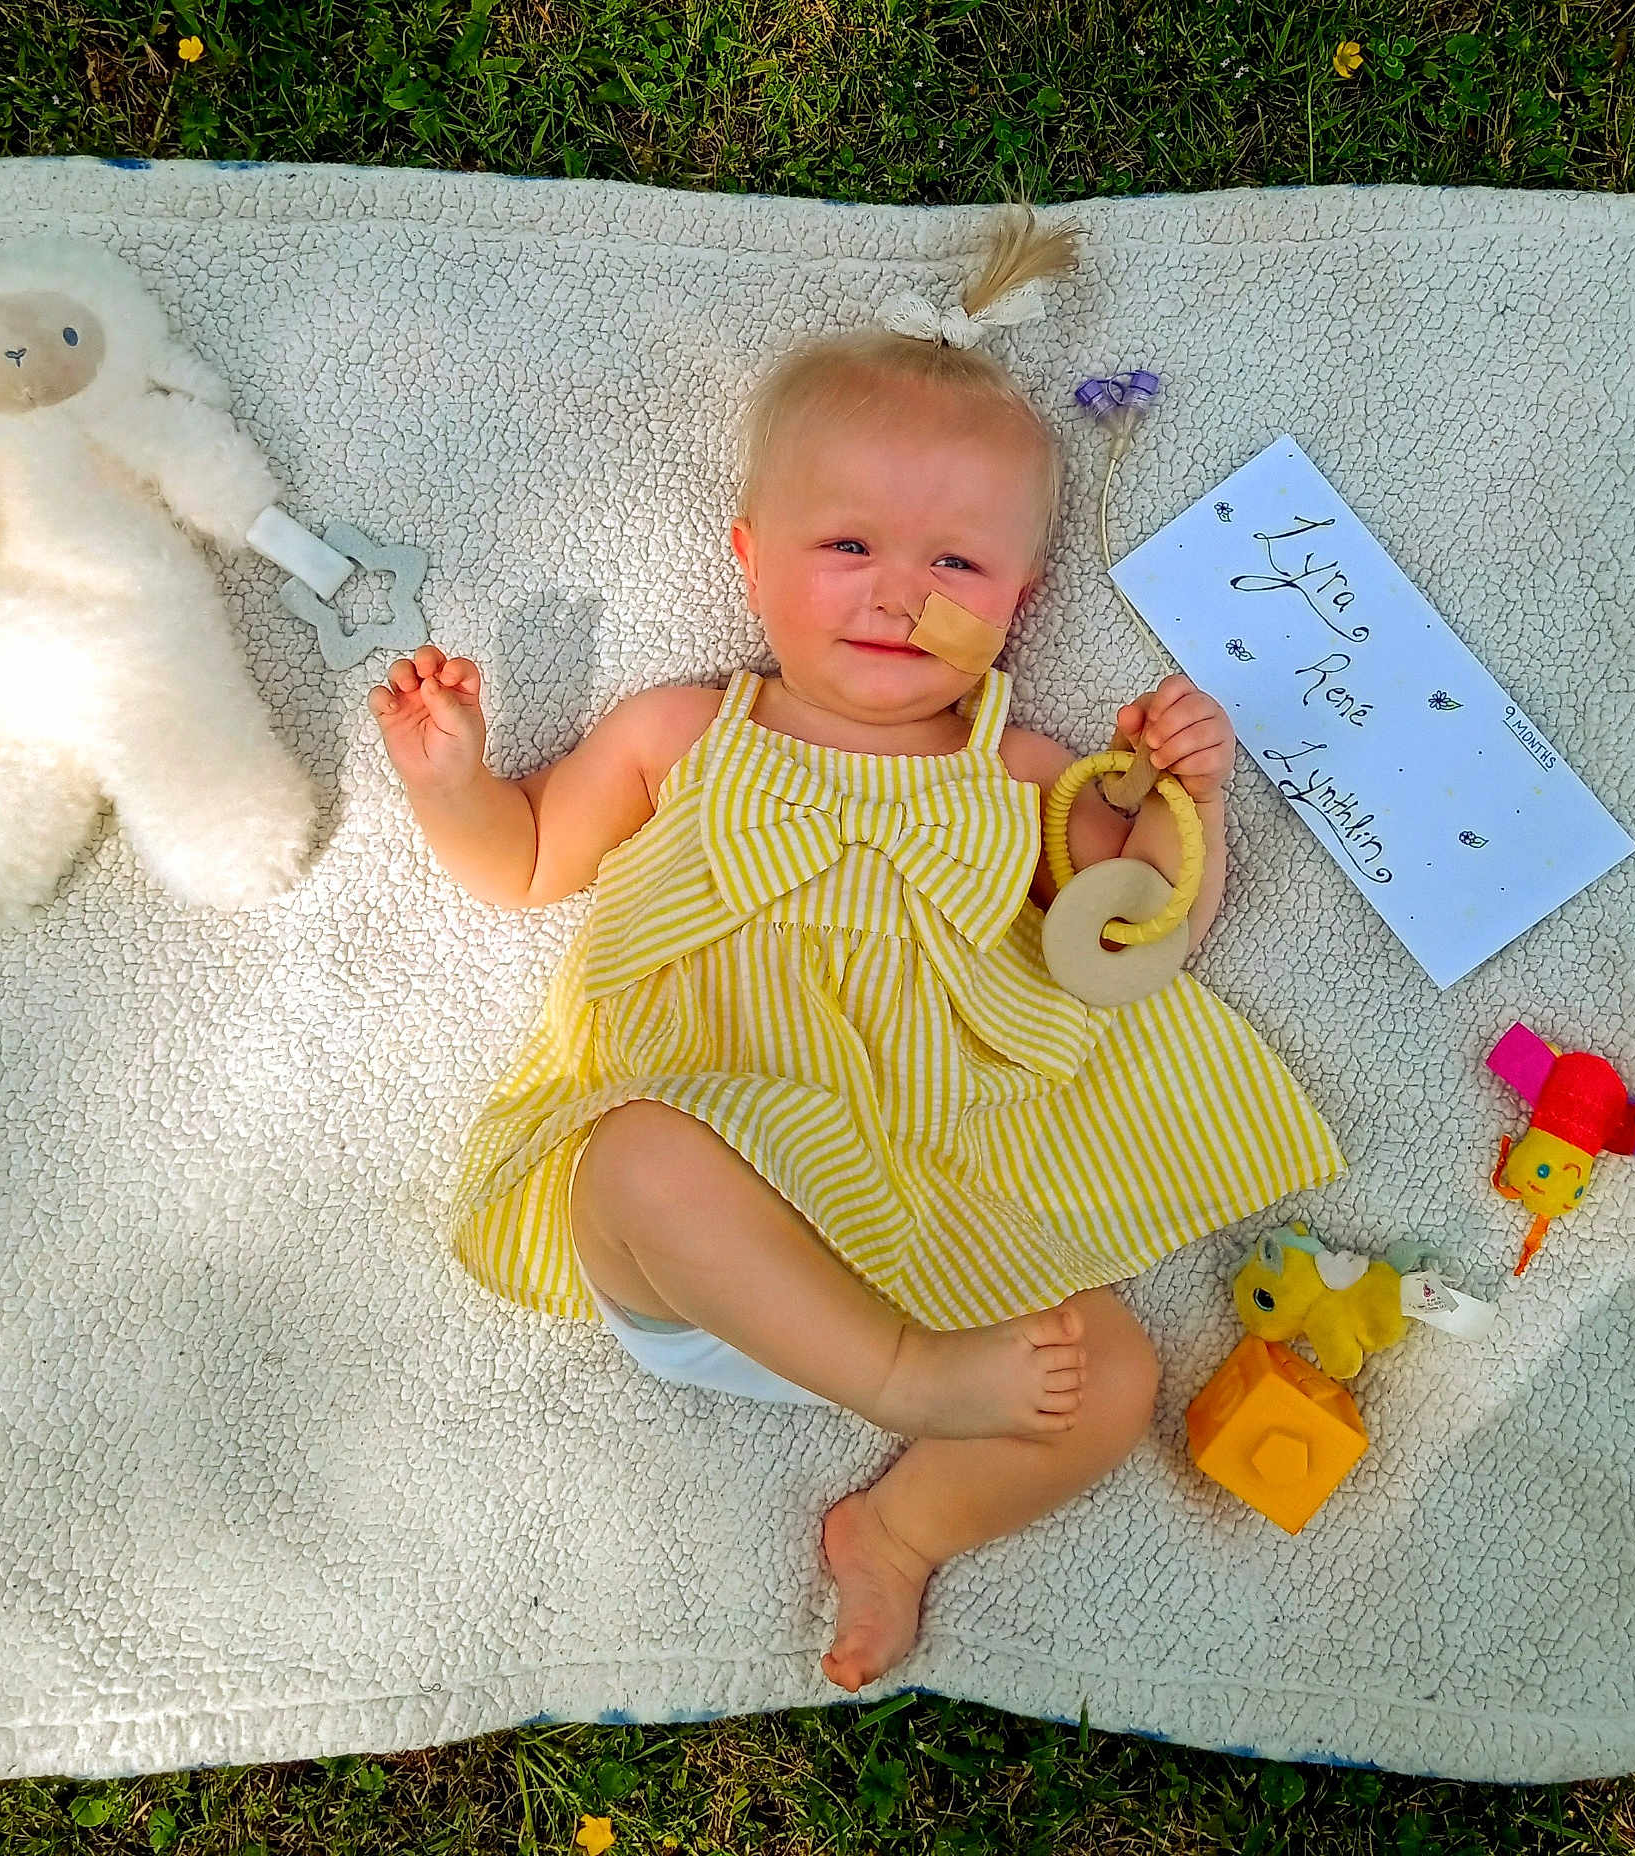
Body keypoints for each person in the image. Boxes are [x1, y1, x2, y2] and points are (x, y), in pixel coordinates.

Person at [370, 206, 1343, 1693]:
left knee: (1119, 1375)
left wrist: (1183, 811)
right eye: (848, 547)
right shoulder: (683, 732)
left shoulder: (1028, 775)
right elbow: (522, 866)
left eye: (958, 563)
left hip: (938, 1226)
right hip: (716, 1256)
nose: (901, 592)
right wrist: (452, 781)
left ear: (1021, 604)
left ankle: (896, 1532)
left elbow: (1136, 949)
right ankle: (898, 1385)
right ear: (751, 561)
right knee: (627, 1154)